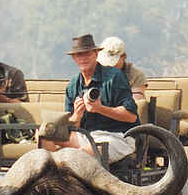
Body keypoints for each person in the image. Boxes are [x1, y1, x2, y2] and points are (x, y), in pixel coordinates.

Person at [41, 33, 136, 162]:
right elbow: (71, 127)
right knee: (44, 136)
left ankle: (62, 166)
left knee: (83, 154)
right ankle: (51, 172)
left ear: (96, 54)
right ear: (74, 58)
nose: (83, 58)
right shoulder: (73, 85)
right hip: (86, 136)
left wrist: (99, 108)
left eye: (87, 54)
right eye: (79, 55)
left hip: (117, 137)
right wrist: (77, 115)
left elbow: (131, 116)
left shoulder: (114, 77)